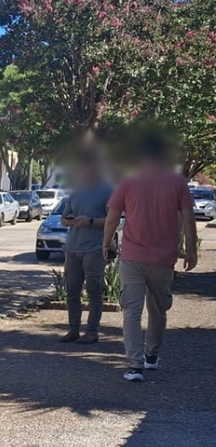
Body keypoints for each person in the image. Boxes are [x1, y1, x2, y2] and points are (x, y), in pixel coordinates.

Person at [104, 132, 198, 382]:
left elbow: (113, 217)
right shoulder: (177, 181)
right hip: (163, 259)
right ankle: (152, 356)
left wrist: (106, 243)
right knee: (158, 310)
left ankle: (135, 366)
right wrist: (191, 249)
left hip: (132, 256)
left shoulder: (128, 181)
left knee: (131, 312)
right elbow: (188, 217)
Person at [59, 149, 113, 345]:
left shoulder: (108, 190)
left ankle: (92, 331)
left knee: (93, 290)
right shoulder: (76, 191)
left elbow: (113, 220)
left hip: (94, 248)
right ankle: (73, 330)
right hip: (73, 248)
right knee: (72, 291)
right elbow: (64, 219)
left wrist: (90, 221)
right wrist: (68, 220)